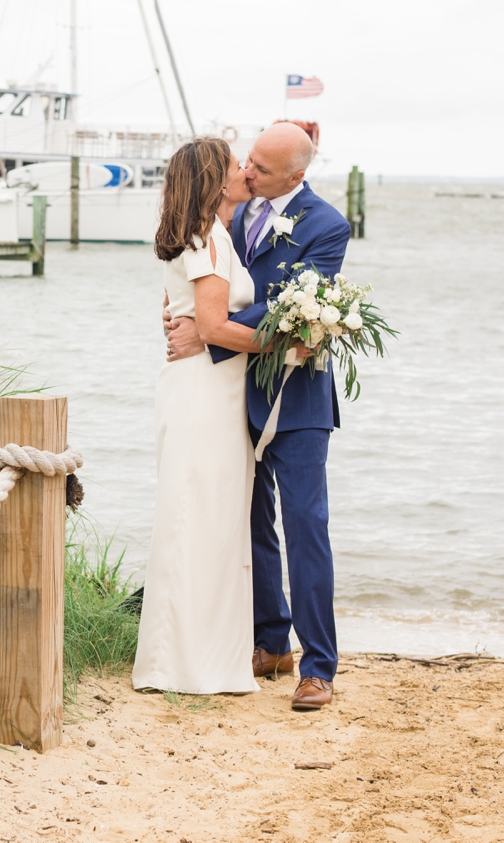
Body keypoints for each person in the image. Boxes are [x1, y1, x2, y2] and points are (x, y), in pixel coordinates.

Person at [165, 122, 352, 711]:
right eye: (247, 162)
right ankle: (270, 643)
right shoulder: (236, 216)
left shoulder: (328, 226)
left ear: (297, 176)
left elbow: (298, 308)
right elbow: (210, 283)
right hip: (230, 395)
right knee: (249, 523)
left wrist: (210, 335)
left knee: (305, 528)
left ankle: (319, 666)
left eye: (262, 170)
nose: (247, 173)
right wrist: (195, 323)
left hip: (296, 400)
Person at [132, 136, 263, 696]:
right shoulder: (207, 239)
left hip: (210, 387)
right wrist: (291, 343)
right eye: (237, 164)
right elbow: (210, 328)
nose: (246, 171)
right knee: (196, 515)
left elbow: (190, 316)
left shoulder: (207, 235)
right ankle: (181, 662)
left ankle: (199, 654)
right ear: (216, 178)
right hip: (205, 390)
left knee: (208, 516)